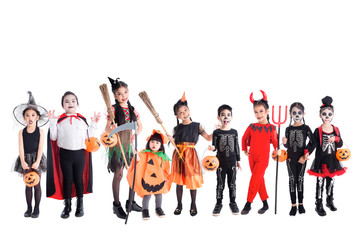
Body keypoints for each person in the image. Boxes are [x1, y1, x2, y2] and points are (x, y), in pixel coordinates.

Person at [47, 91, 100, 218]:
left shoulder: (82, 120)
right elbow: (53, 137)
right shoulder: (60, 120)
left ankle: (80, 205)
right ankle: (67, 206)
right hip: (65, 155)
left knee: (78, 179)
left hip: (79, 155)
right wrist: (52, 122)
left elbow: (89, 137)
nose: (70, 103)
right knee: (67, 179)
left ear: (77, 104)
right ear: (63, 105)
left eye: (73, 101)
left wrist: (94, 123)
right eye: (66, 101)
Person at [167, 92, 212, 216]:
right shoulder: (176, 129)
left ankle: (193, 204)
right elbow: (174, 145)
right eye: (180, 112)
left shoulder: (197, 126)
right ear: (177, 115)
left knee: (192, 181)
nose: (184, 113)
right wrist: (171, 139)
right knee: (179, 182)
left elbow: (208, 138)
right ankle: (179, 204)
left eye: (185, 110)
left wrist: (217, 130)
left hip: (191, 156)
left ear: (189, 110)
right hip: (179, 155)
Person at [105, 77, 143, 219]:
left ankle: (131, 202)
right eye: (119, 93)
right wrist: (112, 128)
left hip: (129, 145)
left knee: (133, 173)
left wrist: (133, 138)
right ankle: (116, 205)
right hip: (117, 145)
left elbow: (140, 127)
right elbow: (106, 129)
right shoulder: (113, 109)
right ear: (115, 96)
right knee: (119, 174)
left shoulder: (133, 109)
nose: (123, 96)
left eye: (125, 92)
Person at [307, 96, 346, 216]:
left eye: (330, 114)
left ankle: (330, 201)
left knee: (331, 181)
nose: (327, 116)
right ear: (320, 115)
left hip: (333, 160)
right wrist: (306, 153)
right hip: (321, 160)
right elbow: (312, 144)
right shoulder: (318, 130)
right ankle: (318, 204)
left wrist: (336, 138)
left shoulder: (336, 129)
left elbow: (340, 144)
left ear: (333, 115)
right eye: (324, 114)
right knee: (320, 182)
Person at [241, 90, 278, 215]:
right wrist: (245, 149)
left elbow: (275, 142)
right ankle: (265, 204)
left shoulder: (271, 128)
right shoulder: (252, 126)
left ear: (267, 111)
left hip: (263, 159)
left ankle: (248, 203)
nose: (258, 114)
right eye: (256, 112)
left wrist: (277, 149)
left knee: (254, 180)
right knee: (259, 180)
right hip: (252, 157)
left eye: (261, 111)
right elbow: (244, 138)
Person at [13, 91, 48, 218]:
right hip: (26, 159)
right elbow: (21, 148)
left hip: (37, 159)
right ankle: (28, 208)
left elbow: (40, 147)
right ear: (24, 118)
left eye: (33, 115)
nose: (30, 118)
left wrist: (37, 161)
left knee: (37, 183)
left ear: (37, 117)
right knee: (28, 184)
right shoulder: (21, 132)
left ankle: (37, 209)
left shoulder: (41, 132)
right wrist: (23, 161)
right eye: (27, 115)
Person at [127, 130, 172, 220]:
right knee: (147, 195)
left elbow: (165, 168)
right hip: (146, 179)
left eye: (157, 142)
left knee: (159, 194)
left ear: (161, 145)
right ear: (149, 143)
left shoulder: (163, 156)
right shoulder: (144, 153)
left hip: (159, 178)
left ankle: (158, 209)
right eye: (152, 142)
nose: (154, 144)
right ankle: (145, 210)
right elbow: (139, 163)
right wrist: (137, 158)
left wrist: (165, 177)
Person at [282, 102, 316, 216]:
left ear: (303, 114)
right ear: (290, 114)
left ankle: (301, 204)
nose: (297, 114)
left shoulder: (306, 128)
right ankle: (293, 205)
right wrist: (284, 143)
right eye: (294, 112)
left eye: (299, 112)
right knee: (292, 180)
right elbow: (288, 146)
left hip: (301, 159)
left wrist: (306, 154)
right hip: (290, 159)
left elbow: (313, 142)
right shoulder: (288, 129)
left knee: (300, 180)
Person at [208, 104, 241, 216]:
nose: (226, 117)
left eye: (228, 115)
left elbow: (237, 146)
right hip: (220, 163)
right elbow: (215, 147)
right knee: (220, 184)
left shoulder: (234, 132)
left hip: (232, 163)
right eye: (223, 115)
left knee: (232, 183)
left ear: (231, 117)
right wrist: (212, 148)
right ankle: (218, 203)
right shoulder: (217, 133)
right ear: (219, 117)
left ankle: (233, 202)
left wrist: (238, 161)